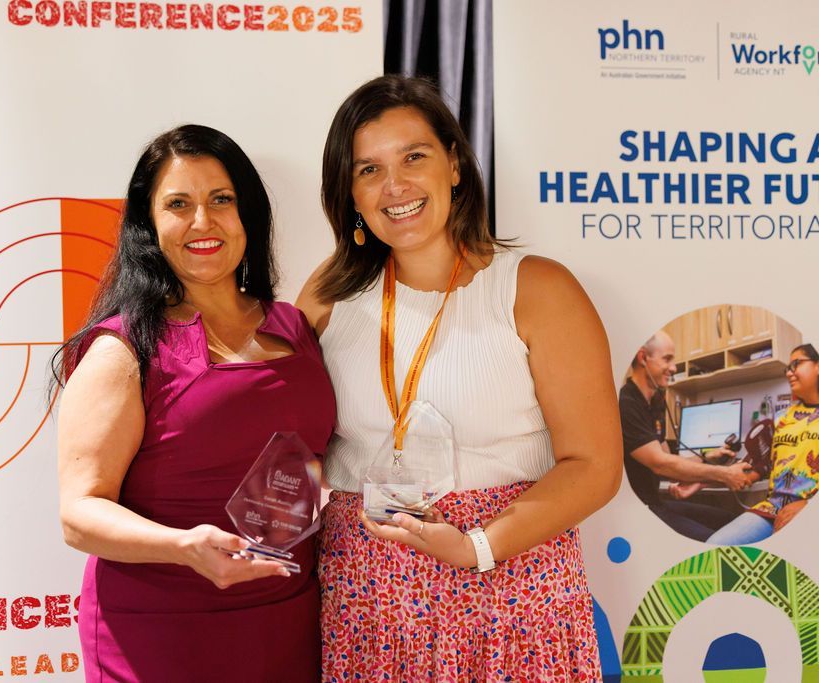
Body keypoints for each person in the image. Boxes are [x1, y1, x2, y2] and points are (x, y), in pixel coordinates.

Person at [297, 75, 622, 681]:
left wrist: (478, 544)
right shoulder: (327, 295)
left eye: (413, 156)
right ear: (350, 193)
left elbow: (595, 465)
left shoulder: (537, 289)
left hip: (513, 589)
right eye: (368, 170)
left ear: (454, 164)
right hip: (369, 600)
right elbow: (294, 440)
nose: (395, 186)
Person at [55, 125, 336, 682]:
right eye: (178, 204)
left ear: (248, 215)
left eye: (221, 200)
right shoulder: (124, 347)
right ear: (150, 224)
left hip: (286, 619)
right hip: (161, 631)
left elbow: (305, 458)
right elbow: (78, 515)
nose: (203, 222)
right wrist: (184, 547)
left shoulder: (294, 326)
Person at [619, 331, 753, 541]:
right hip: (639, 510)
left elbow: (670, 462)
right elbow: (660, 464)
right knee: (716, 541)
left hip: (656, 503)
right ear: (643, 357)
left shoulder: (654, 402)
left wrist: (709, 455)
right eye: (667, 359)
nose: (673, 368)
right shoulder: (627, 403)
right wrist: (724, 474)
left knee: (731, 520)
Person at [708, 343, 819, 545]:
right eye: (788, 368)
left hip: (811, 512)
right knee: (716, 546)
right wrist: (698, 481)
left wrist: (809, 507)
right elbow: (757, 464)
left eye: (797, 364)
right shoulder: (781, 418)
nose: (789, 373)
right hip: (773, 509)